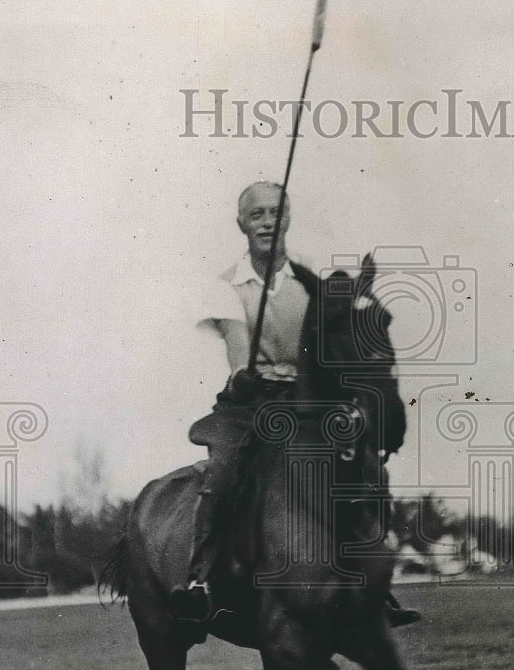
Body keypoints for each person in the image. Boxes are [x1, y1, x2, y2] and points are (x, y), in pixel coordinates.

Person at [171, 181, 419, 628]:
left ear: (288, 219)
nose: (267, 222)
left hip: (306, 403)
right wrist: (243, 375)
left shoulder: (312, 282)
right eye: (256, 215)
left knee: (368, 467)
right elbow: (237, 347)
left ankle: (374, 585)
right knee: (225, 469)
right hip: (248, 402)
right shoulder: (225, 287)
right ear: (241, 224)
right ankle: (200, 578)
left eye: (275, 213)